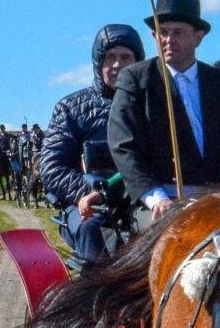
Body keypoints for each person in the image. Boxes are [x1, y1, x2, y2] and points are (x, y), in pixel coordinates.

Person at [107, 0, 220, 228]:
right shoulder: (136, 81)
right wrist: (155, 198)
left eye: (177, 32)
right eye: (163, 33)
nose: (169, 40)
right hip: (162, 202)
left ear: (198, 37)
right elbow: (124, 147)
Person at [42, 24, 146, 261]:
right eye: (110, 57)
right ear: (98, 63)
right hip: (87, 203)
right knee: (94, 227)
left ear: (138, 61)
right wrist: (93, 194)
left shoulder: (153, 106)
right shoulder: (70, 108)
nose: (117, 65)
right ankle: (93, 293)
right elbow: (52, 167)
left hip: (140, 198)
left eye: (125, 57)